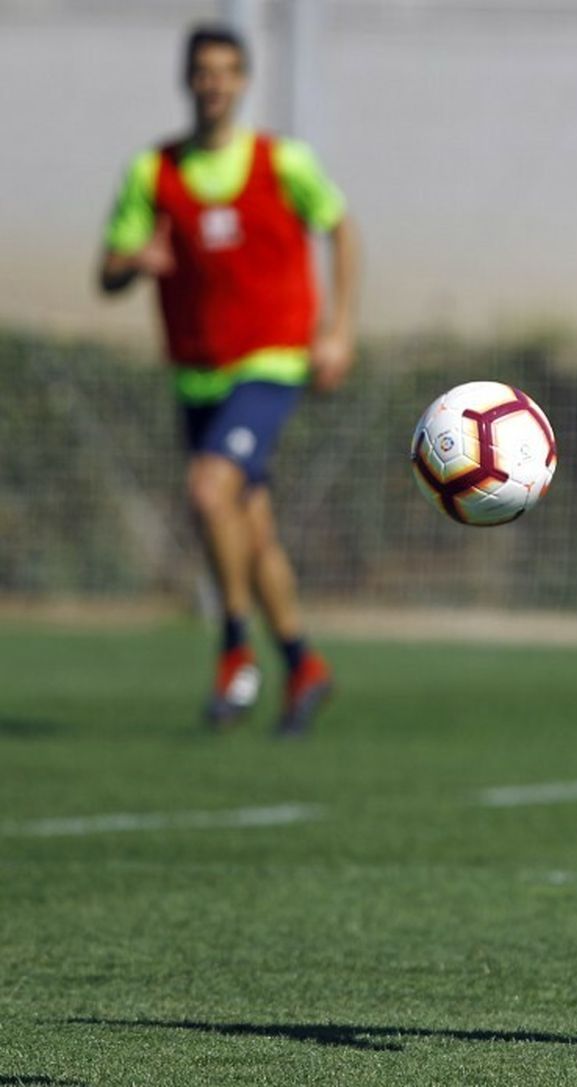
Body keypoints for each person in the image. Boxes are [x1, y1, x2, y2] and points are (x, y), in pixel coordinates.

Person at [98, 24, 360, 735]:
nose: (214, 83)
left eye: (226, 71)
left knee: (208, 487)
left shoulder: (284, 162)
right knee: (249, 525)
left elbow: (340, 227)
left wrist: (338, 330)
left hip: (273, 361)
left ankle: (233, 647)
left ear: (241, 82)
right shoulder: (153, 173)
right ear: (188, 79)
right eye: (202, 71)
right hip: (197, 376)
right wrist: (134, 264)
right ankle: (304, 662)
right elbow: (109, 270)